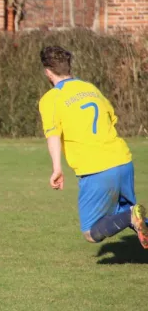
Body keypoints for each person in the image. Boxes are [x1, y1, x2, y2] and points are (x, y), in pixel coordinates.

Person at [38, 45, 148, 248]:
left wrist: (57, 169)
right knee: (130, 216)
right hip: (123, 160)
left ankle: (132, 216)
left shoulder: (51, 98)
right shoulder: (90, 88)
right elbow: (111, 118)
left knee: (92, 231)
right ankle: (133, 217)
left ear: (48, 72)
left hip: (96, 169)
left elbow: (53, 135)